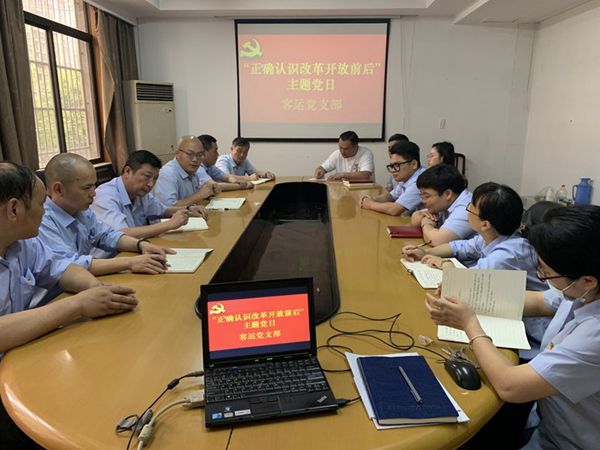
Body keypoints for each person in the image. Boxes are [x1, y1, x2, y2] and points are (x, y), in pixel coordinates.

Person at [425, 205, 600, 449]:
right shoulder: (584, 290)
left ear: (588, 281)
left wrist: (470, 324)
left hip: (566, 441)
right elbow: (539, 301)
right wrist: (463, 292)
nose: (541, 276)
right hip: (544, 414)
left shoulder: (594, 335)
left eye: (546, 273)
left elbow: (510, 386)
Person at [404, 182, 547, 357]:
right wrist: (426, 253)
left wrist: (444, 264)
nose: (467, 211)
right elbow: (461, 247)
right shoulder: (496, 235)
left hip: (528, 335)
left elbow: (464, 285)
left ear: (485, 224)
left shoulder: (506, 256)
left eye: (471, 208)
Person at [38, 153, 172, 276]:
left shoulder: (81, 210)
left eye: (94, 186)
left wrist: (141, 245)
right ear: (59, 189)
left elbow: (106, 235)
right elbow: (70, 266)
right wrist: (130, 263)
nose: (93, 193)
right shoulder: (42, 221)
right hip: (59, 292)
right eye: (86, 188)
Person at [91, 150, 208, 239]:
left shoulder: (140, 193)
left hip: (135, 250)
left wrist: (188, 209)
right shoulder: (105, 196)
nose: (151, 184)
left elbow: (162, 211)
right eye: (147, 176)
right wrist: (169, 224)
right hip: (110, 258)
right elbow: (121, 234)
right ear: (127, 171)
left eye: (155, 178)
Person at [410, 164, 475, 246]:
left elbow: (437, 241)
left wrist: (427, 223)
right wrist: (423, 218)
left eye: (426, 196)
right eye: (421, 196)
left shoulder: (467, 208)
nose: (423, 201)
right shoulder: (445, 202)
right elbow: (415, 219)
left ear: (448, 194)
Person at [360, 140, 424, 216]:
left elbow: (395, 209)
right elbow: (391, 196)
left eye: (397, 165)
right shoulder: (406, 177)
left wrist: (370, 204)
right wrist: (372, 199)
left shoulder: (421, 181)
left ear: (414, 164)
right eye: (391, 166)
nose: (393, 170)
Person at [154, 135, 220, 207]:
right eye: (190, 154)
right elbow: (168, 208)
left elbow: (191, 199)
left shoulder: (193, 171)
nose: (195, 159)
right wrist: (199, 195)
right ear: (177, 153)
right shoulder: (167, 174)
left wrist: (208, 193)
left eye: (199, 155)